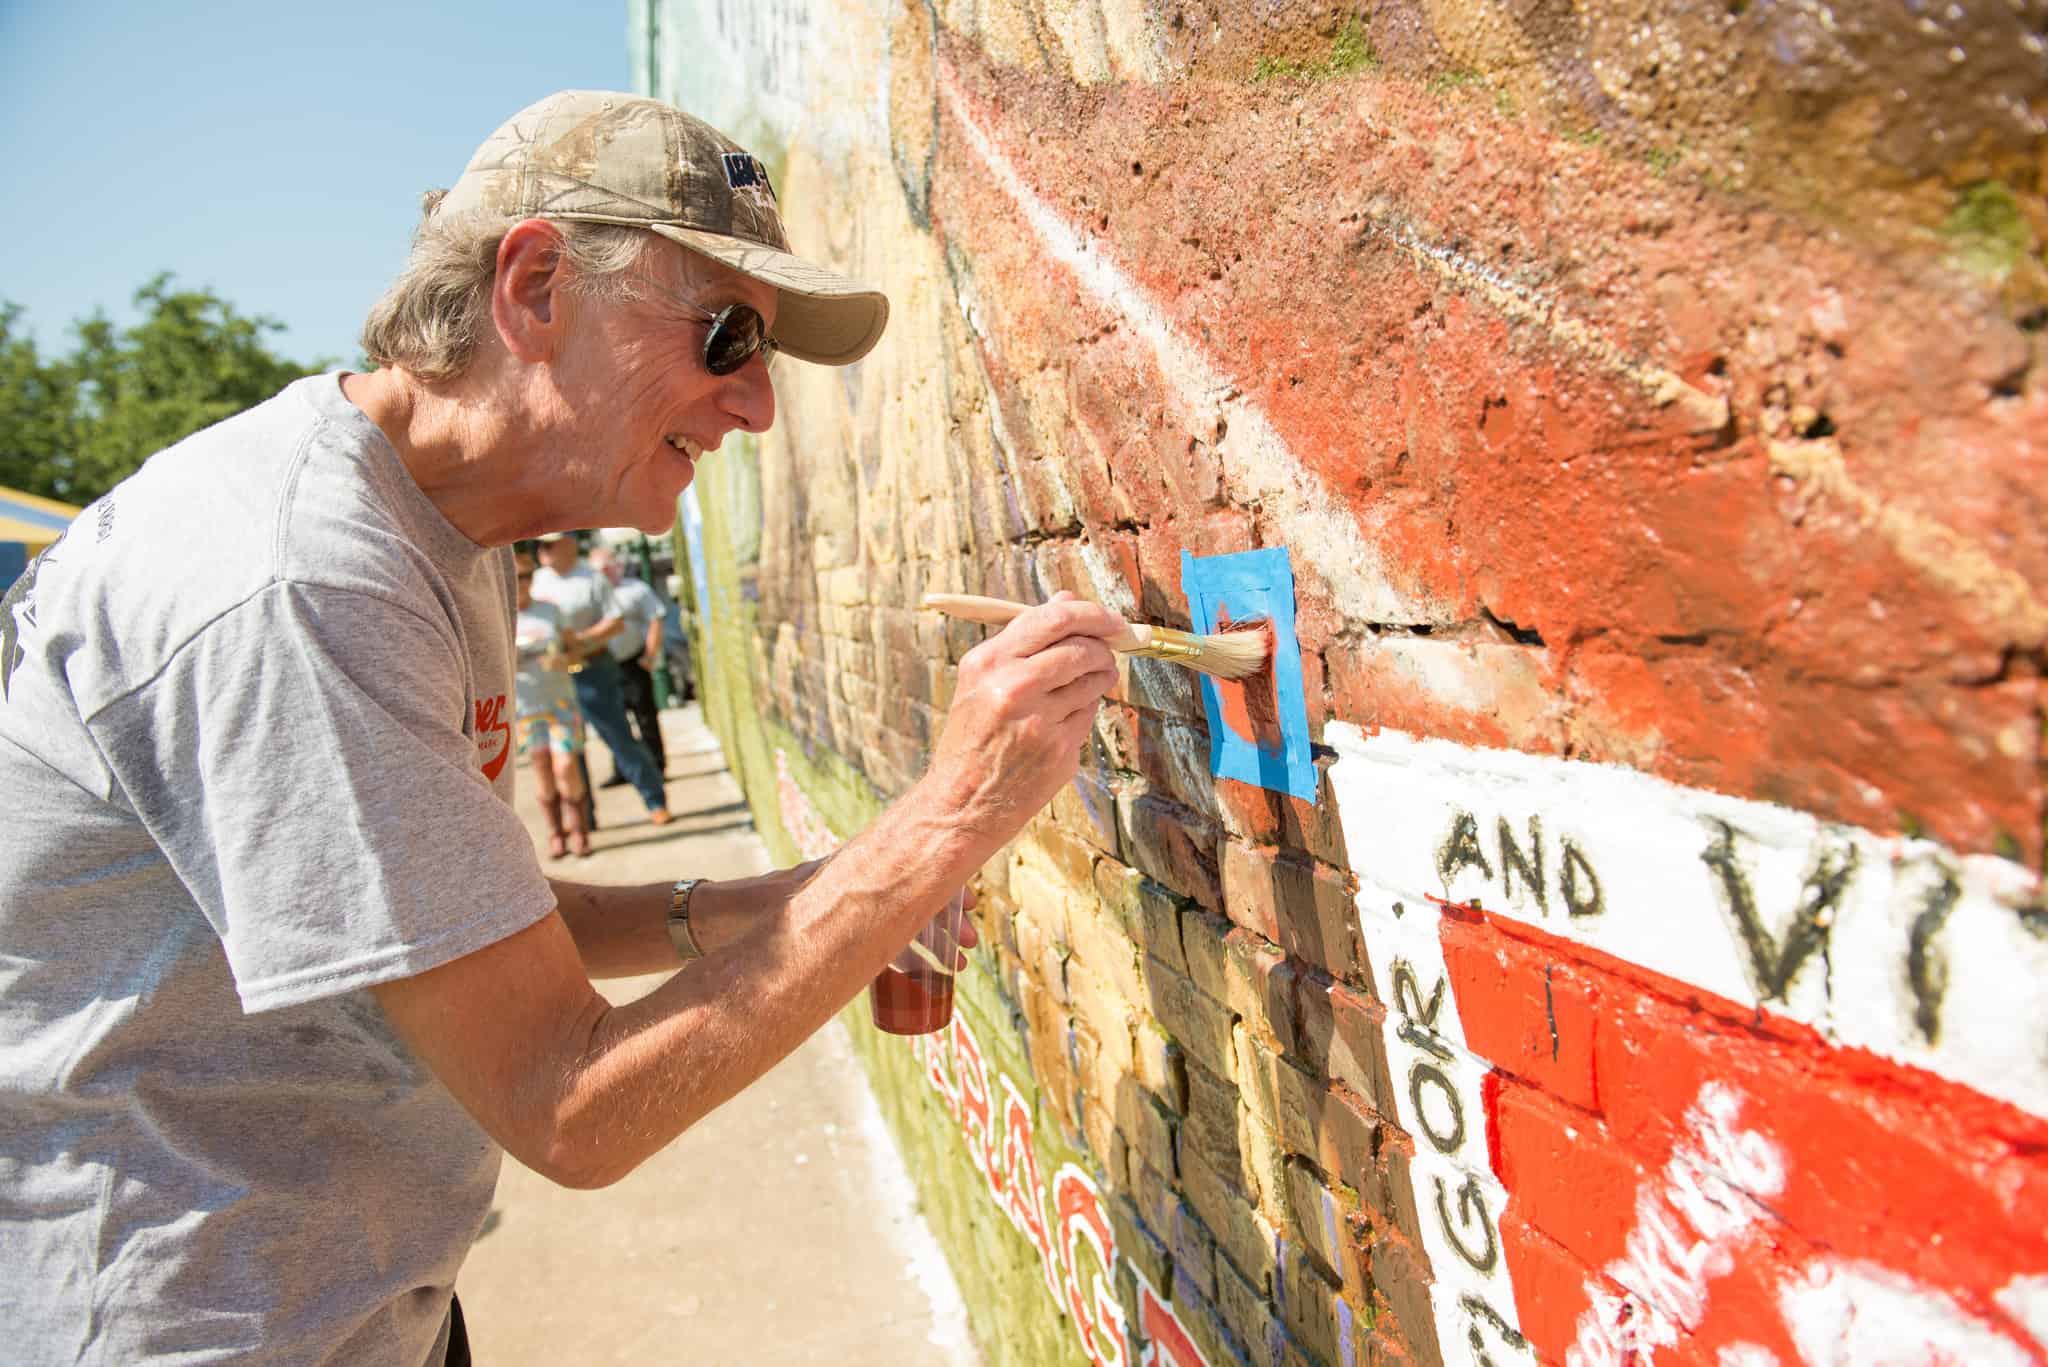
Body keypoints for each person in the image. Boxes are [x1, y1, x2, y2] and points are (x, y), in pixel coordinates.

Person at [0, 89, 1123, 1365]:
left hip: (349, 1302)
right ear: (534, 287)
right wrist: (943, 820)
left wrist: (781, 903)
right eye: (727, 335)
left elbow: (465, 916)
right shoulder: (298, 582)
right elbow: (569, 1100)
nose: (756, 404)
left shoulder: (434, 522)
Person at [530, 531, 671, 823]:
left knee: (617, 735)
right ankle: (584, 818)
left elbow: (615, 622)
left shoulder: (591, 578)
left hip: (593, 668)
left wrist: (578, 641)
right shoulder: (537, 580)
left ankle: (654, 800)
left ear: (569, 544)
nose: (543, 549)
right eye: (541, 543)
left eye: (550, 543)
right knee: (567, 748)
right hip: (553, 674)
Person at [513, 545, 592, 858]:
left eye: (525, 575)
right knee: (542, 766)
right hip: (526, 708)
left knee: (566, 765)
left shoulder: (551, 610)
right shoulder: (500, 616)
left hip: (560, 703)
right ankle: (555, 834)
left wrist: (566, 661)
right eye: (515, 576)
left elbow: (576, 654)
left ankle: (580, 831)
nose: (520, 582)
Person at [588, 544, 667, 782]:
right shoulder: (592, 595)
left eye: (608, 566)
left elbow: (655, 620)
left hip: (633, 661)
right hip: (604, 666)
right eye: (599, 569)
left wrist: (650, 655)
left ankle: (657, 766)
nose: (605, 572)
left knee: (645, 716)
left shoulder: (637, 590)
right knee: (615, 721)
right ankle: (623, 770)